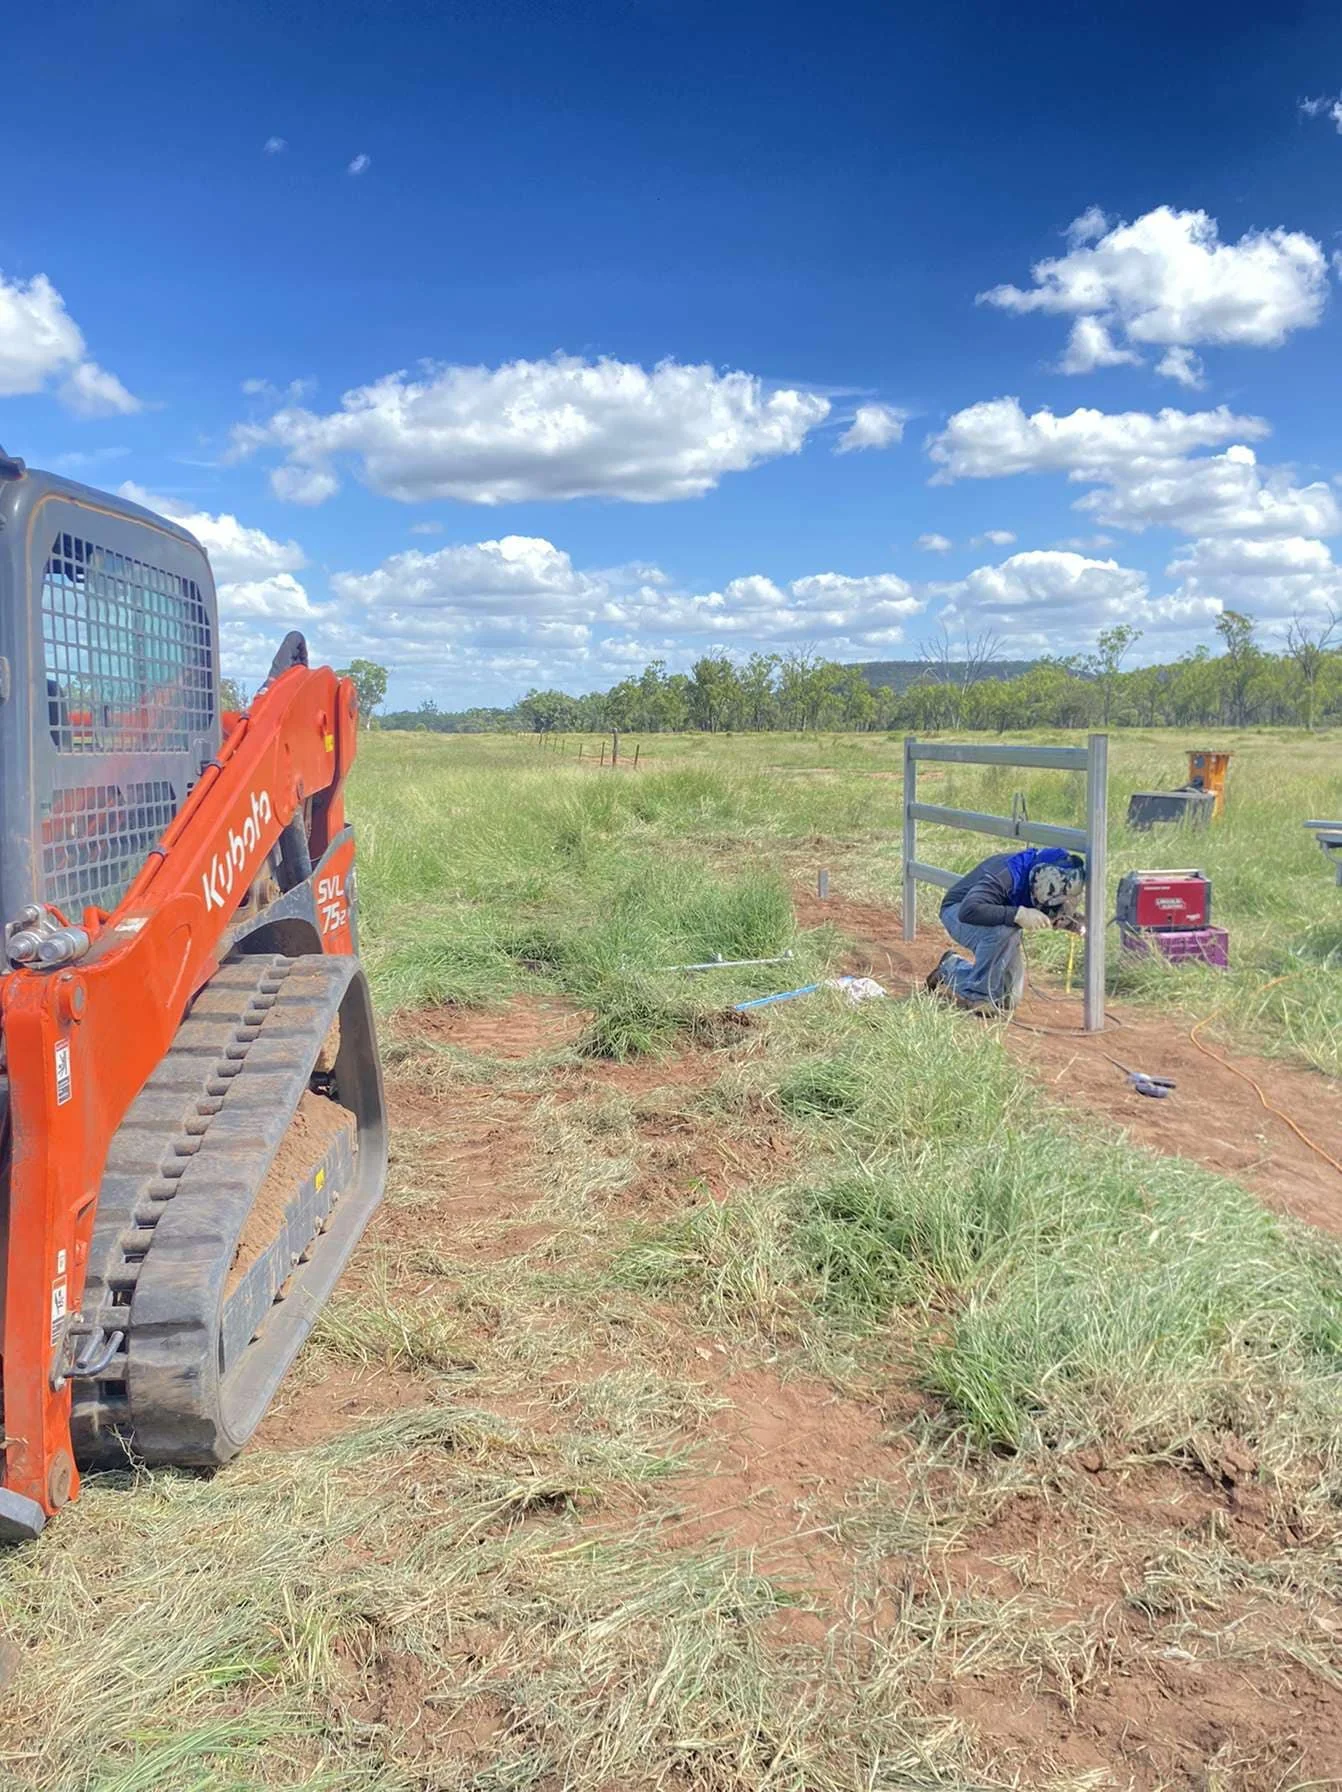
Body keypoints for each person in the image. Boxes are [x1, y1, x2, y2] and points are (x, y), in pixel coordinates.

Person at [926, 846, 1085, 1014]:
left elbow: (1054, 912)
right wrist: (1018, 914)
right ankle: (978, 996)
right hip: (957, 911)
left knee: (1007, 998)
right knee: (1004, 931)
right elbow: (969, 910)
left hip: (997, 924)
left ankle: (950, 967)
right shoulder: (1007, 875)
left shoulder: (1053, 882)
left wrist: (1079, 926)